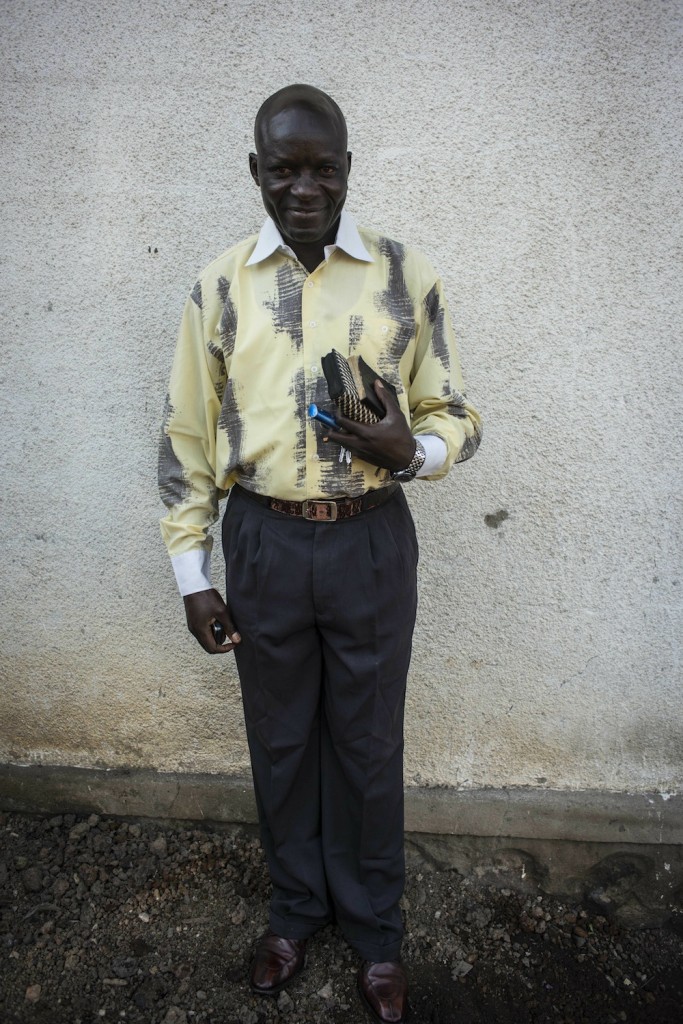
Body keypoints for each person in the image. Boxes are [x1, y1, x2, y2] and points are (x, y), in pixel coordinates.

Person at [159, 84, 481, 1024]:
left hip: (370, 541)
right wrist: (192, 572)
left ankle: (374, 930)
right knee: (283, 739)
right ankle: (295, 911)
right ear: (256, 172)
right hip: (260, 539)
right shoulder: (219, 287)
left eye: (322, 168)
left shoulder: (402, 276)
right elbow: (185, 435)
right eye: (284, 169)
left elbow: (455, 413)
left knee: (369, 746)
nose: (304, 188)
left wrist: (407, 452)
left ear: (347, 170)